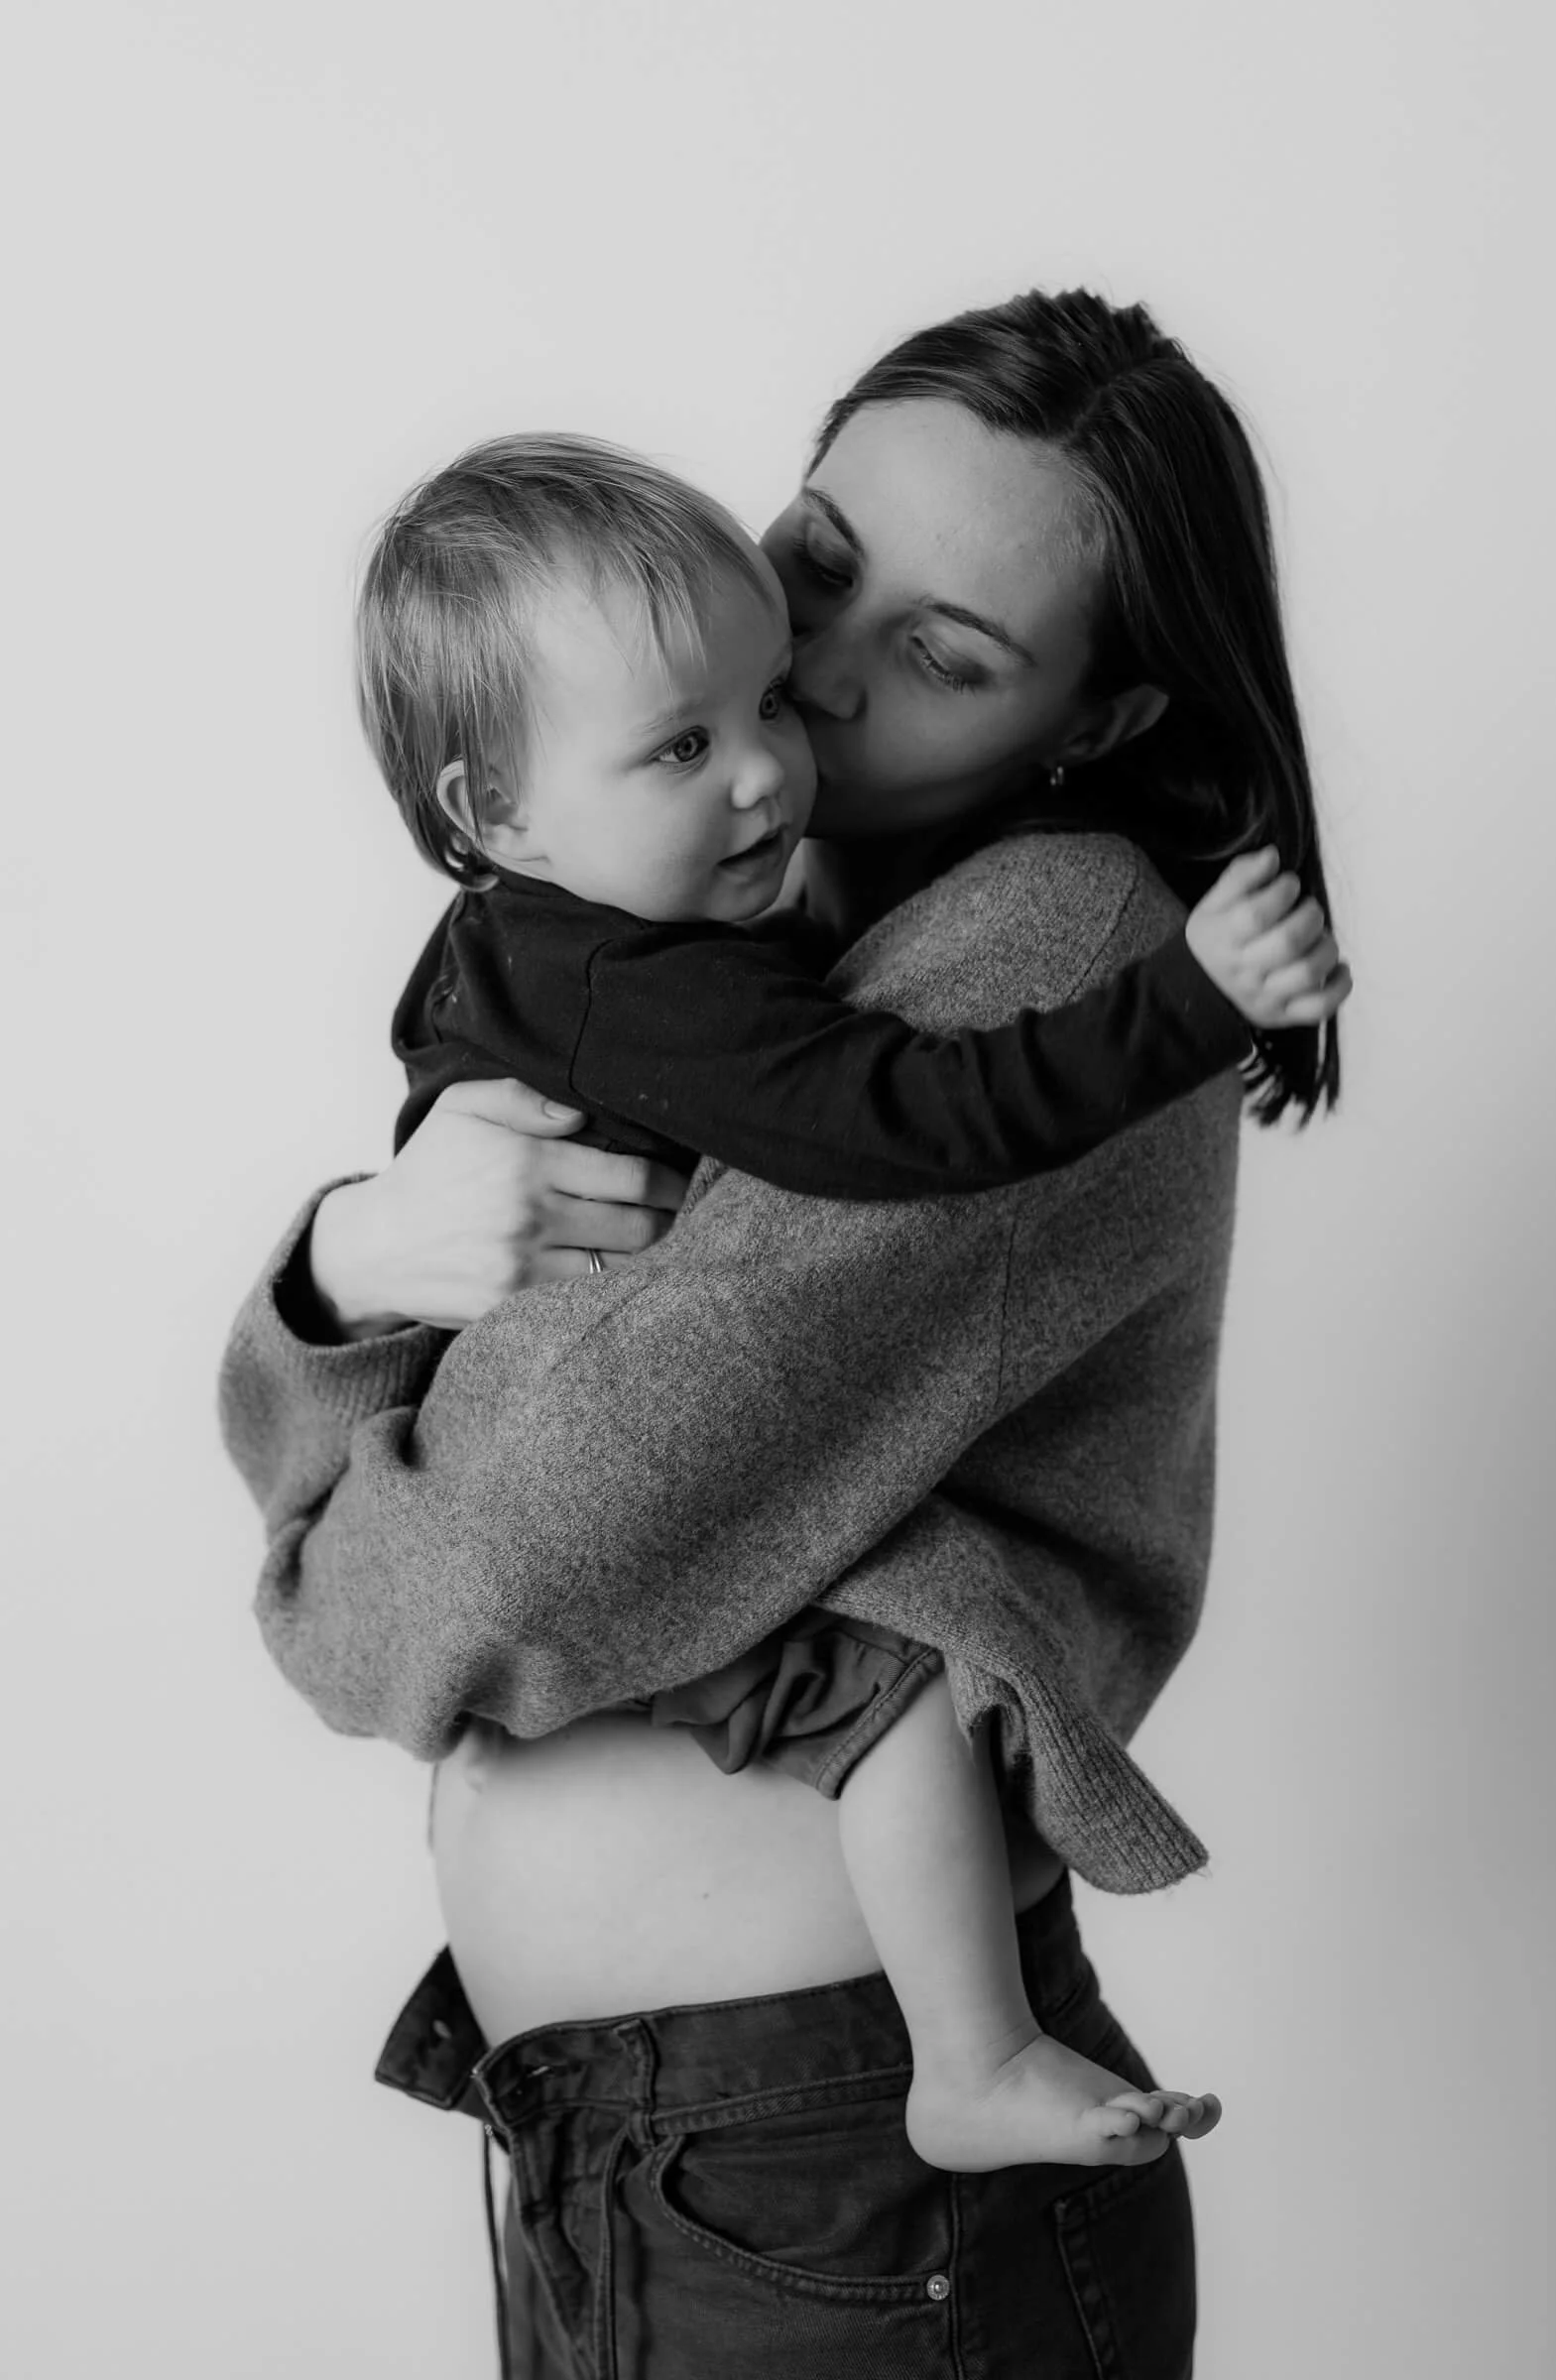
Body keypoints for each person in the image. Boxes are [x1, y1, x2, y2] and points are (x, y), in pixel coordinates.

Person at [222, 288, 1346, 2376]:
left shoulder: (1038, 959)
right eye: (818, 561)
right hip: (653, 2164)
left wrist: (324, 1553)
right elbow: (374, 1450)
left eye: (942, 655)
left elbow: (495, 1568)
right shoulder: (690, 931)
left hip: (836, 2187)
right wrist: (354, 1262)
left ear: (1094, 721)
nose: (812, 682)